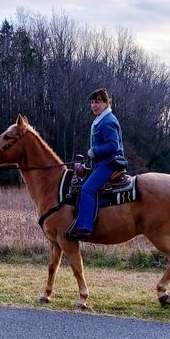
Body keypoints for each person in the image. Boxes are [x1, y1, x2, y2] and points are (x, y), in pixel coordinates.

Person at [67, 88, 126, 241]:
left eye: (98, 102)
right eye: (92, 102)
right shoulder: (101, 119)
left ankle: (84, 227)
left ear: (107, 103)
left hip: (110, 163)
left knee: (87, 189)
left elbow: (113, 146)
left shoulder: (107, 121)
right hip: (102, 163)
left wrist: (94, 151)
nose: (94, 105)